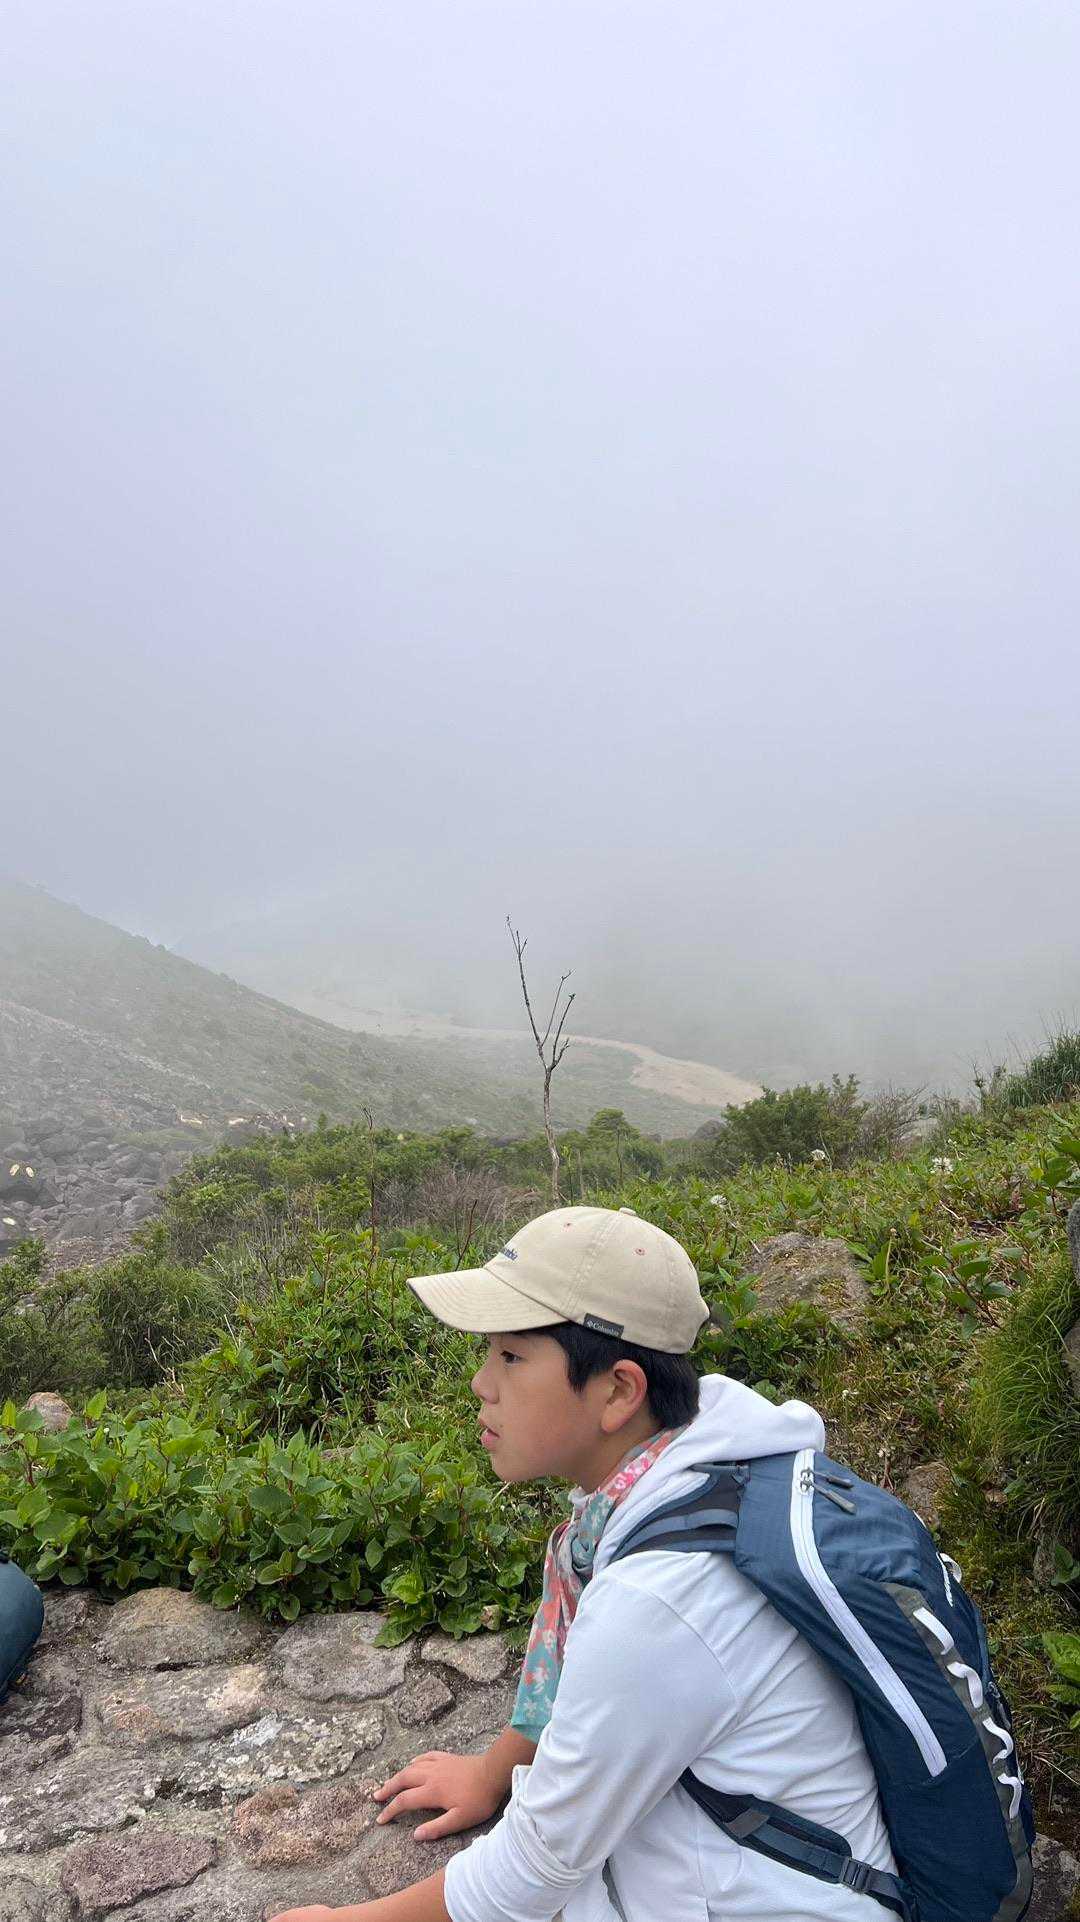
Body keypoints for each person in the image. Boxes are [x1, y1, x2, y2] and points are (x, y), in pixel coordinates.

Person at [269, 1204, 897, 1922]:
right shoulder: (696, 1469)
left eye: (511, 1357)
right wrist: (494, 1773)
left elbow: (534, 1870)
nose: (481, 1383)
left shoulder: (663, 1598)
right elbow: (582, 1690)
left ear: (620, 1391)